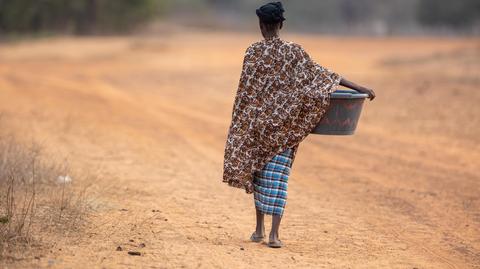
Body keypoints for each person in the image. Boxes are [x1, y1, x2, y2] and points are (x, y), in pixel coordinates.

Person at [222, 1, 375, 248]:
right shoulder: (294, 52)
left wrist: (241, 126)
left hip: (259, 129)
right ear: (281, 24)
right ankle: (273, 234)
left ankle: (258, 229)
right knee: (279, 178)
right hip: (285, 130)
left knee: (260, 176)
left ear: (261, 25)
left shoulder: (252, 52)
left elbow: (245, 94)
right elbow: (322, 75)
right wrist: (359, 88)